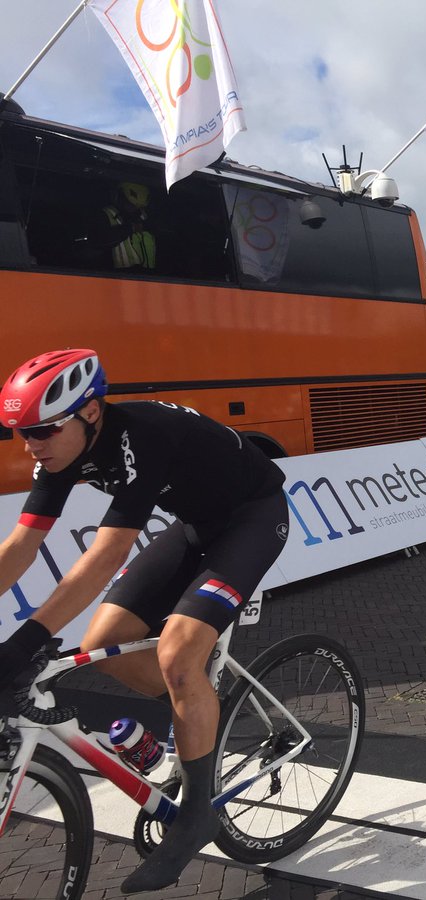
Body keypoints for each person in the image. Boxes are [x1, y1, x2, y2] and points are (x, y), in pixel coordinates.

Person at [0, 349, 288, 893]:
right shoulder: (60, 453)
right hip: (197, 525)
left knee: (177, 655)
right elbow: (20, 545)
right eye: (19, 431)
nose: (29, 443)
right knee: (103, 644)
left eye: (40, 429)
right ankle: (199, 710)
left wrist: (28, 640)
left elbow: (105, 557)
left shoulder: (140, 437)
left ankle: (198, 815)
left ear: (89, 413)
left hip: (254, 515)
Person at [89, 180, 157, 271]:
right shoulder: (106, 215)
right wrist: (130, 228)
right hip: (117, 278)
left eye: (138, 207)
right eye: (130, 205)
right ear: (119, 198)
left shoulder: (146, 218)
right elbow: (96, 242)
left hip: (149, 279)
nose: (134, 209)